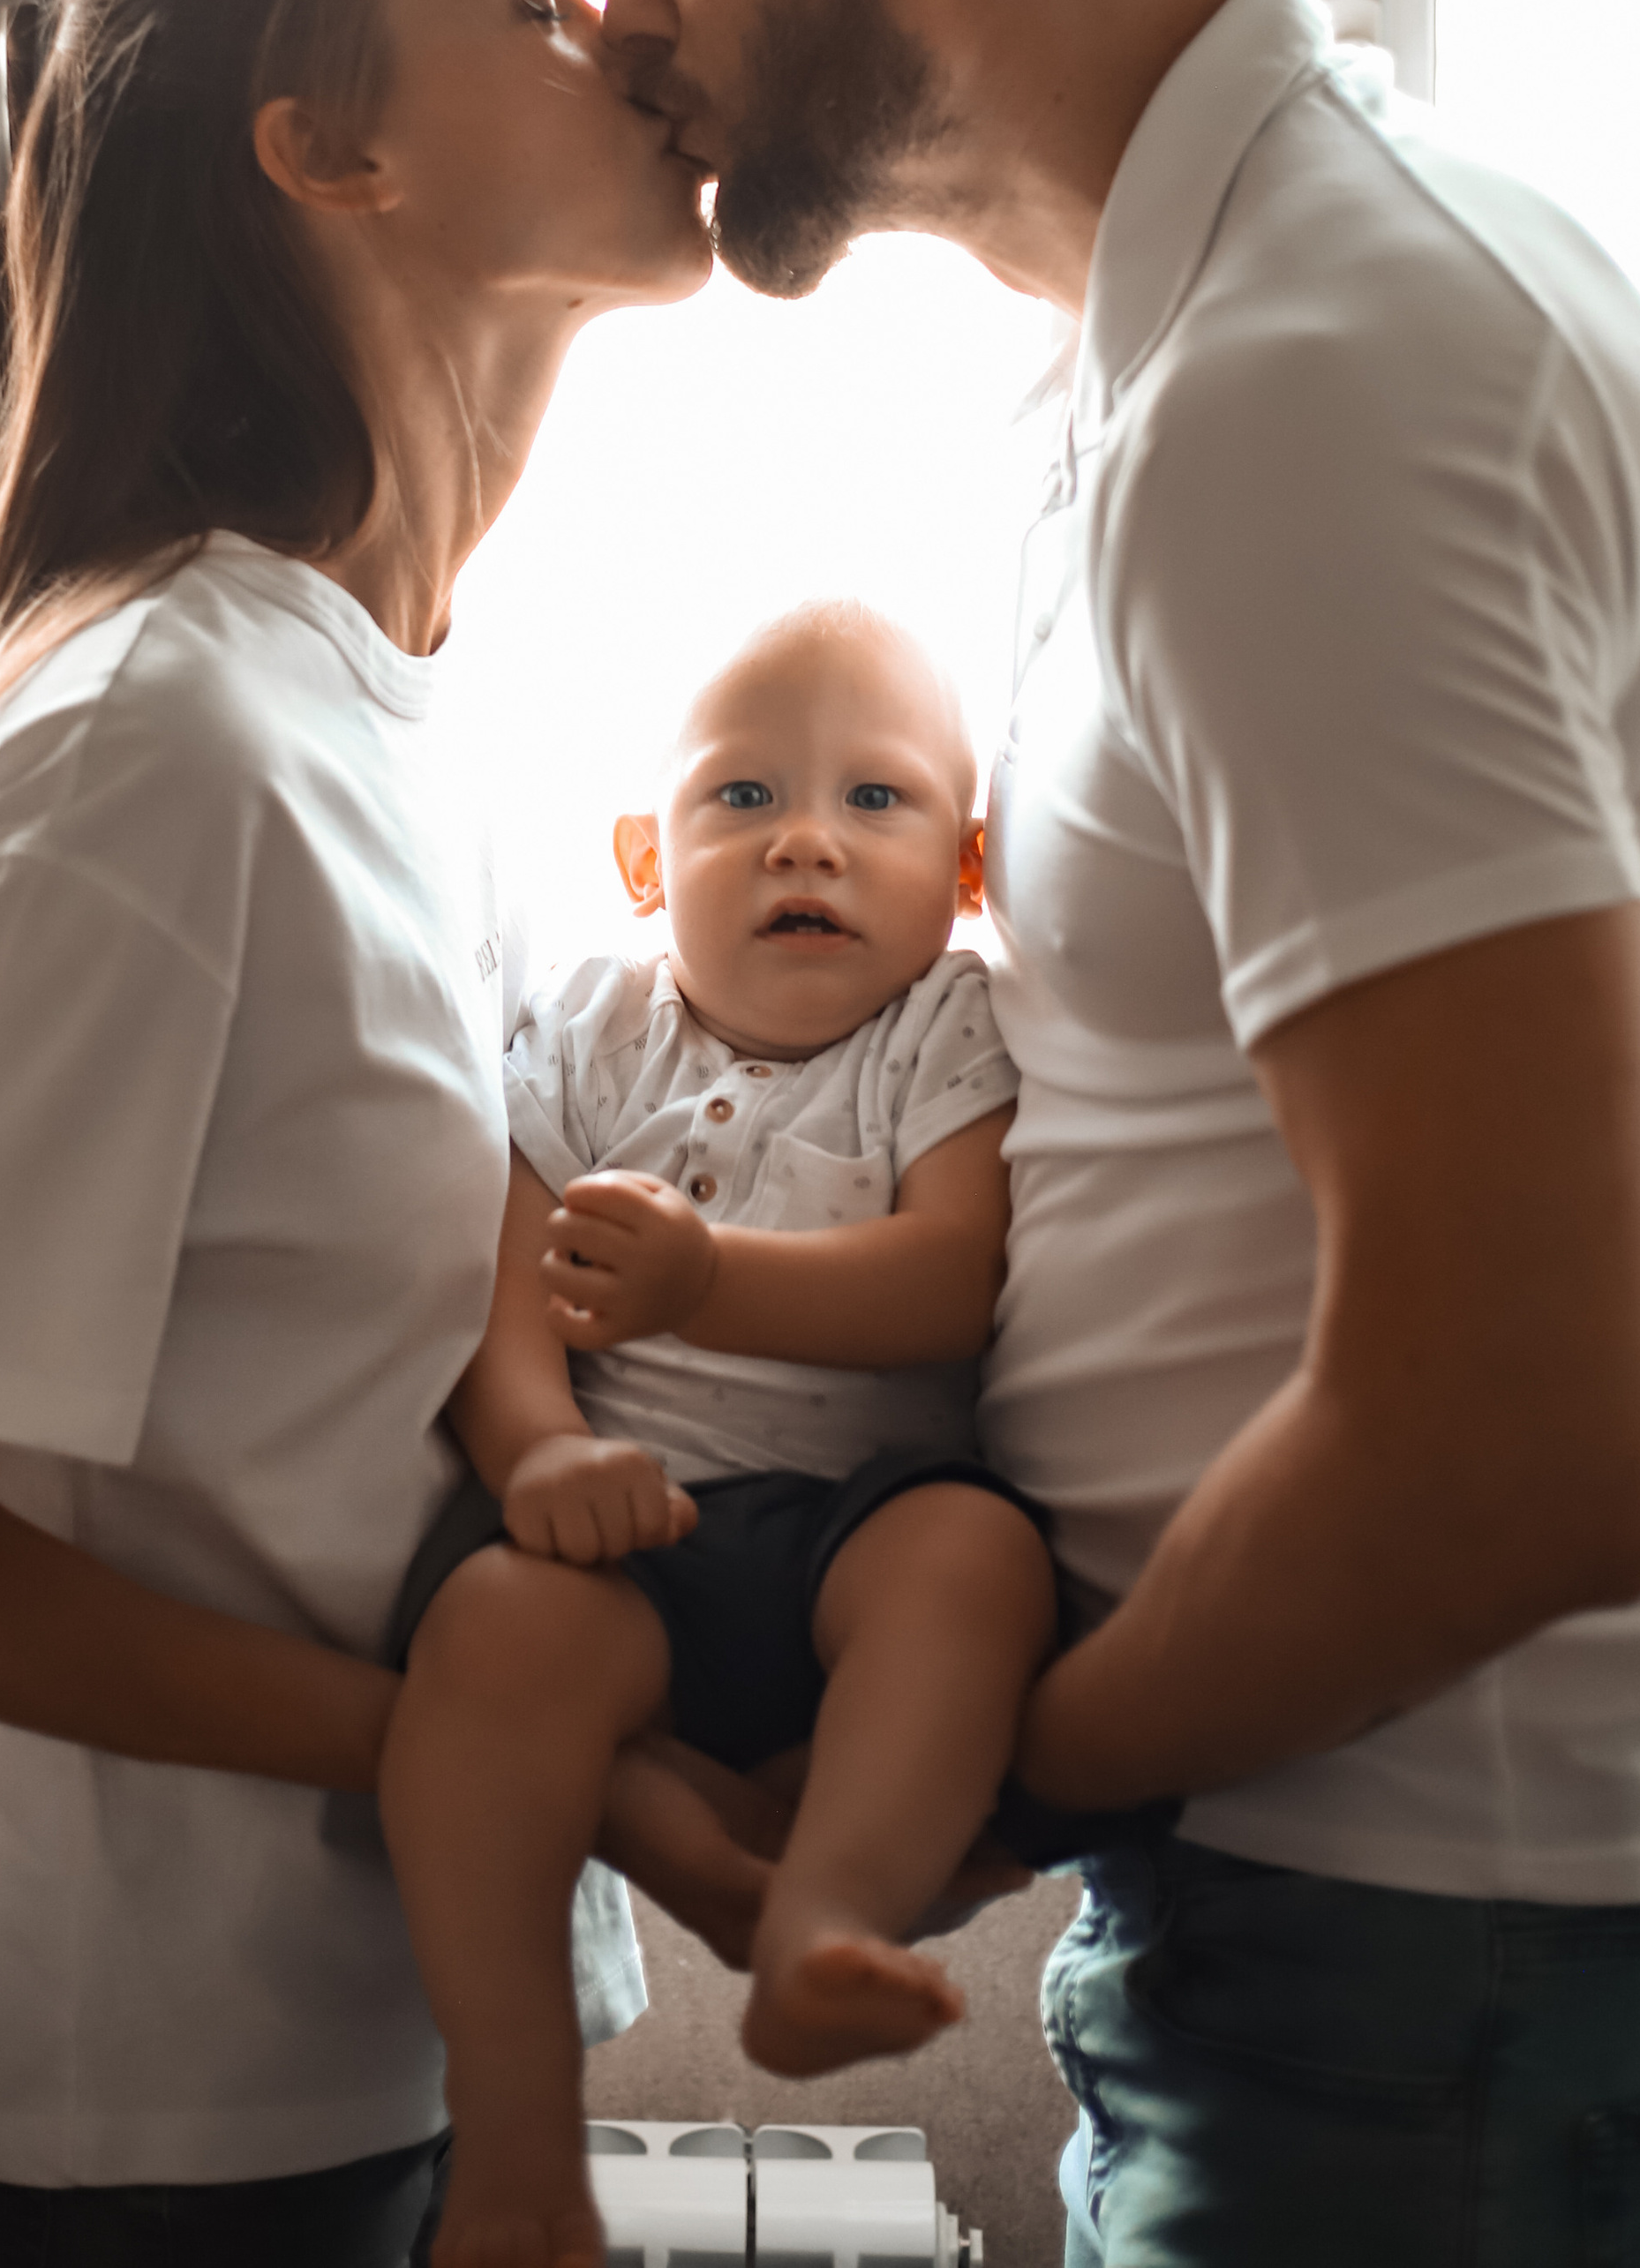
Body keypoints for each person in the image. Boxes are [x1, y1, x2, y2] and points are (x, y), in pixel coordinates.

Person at [597, 0, 1640, 2260]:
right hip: (1404, 1970)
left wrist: (997, 1769)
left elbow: (1524, 1436)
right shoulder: (1180, 365)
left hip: (1470, 2016)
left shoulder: (1317, 380)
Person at [0, 0, 711, 2267]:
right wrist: (455, 1754)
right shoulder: (153, 744)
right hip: (126, 2145)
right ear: (326, 149)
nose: (615, 18)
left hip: (337, 2066)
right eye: (526, 0)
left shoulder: (362, 718)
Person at [380, 599, 1067, 2268]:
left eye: (877, 803)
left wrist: (704, 1278)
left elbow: (945, 1285)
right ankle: (520, 2130)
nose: (806, 844)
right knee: (485, 1637)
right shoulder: (597, 1021)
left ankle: (825, 1912)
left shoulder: (947, 1032)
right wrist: (539, 1452)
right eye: (743, 800)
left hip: (855, 1529)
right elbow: (501, 1278)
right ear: (645, 852)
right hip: (633, 1534)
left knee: (978, 1559)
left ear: (968, 873)